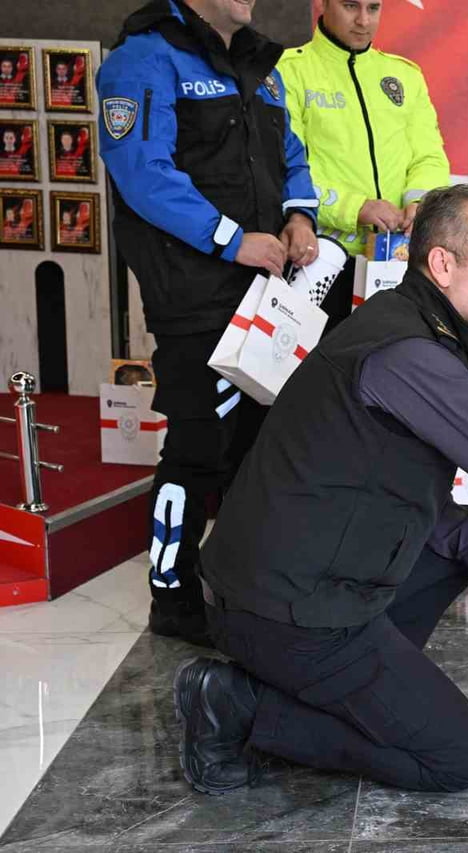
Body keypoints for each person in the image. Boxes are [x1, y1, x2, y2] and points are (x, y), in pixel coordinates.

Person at [173, 185, 468, 796]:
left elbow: (393, 479)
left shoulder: (404, 324)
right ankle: (239, 703)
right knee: (456, 756)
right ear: (442, 264)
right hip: (285, 614)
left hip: (277, 581)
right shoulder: (411, 354)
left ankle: (347, 683)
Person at [97, 0, 319, 647]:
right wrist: (232, 239)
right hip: (194, 298)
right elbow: (143, 174)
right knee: (197, 451)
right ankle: (172, 595)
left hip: (265, 297)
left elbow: (291, 155)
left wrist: (300, 216)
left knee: (258, 448)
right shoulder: (144, 57)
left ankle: (243, 583)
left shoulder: (258, 63)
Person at [279, 0, 450, 334]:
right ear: (322, 4)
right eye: (350, 6)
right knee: (313, 376)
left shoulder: (404, 75)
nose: (363, 20)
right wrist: (355, 207)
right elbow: (283, 168)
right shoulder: (287, 71)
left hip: (396, 261)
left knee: (388, 372)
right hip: (320, 260)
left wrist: (421, 203)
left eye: (373, 8)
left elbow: (429, 156)